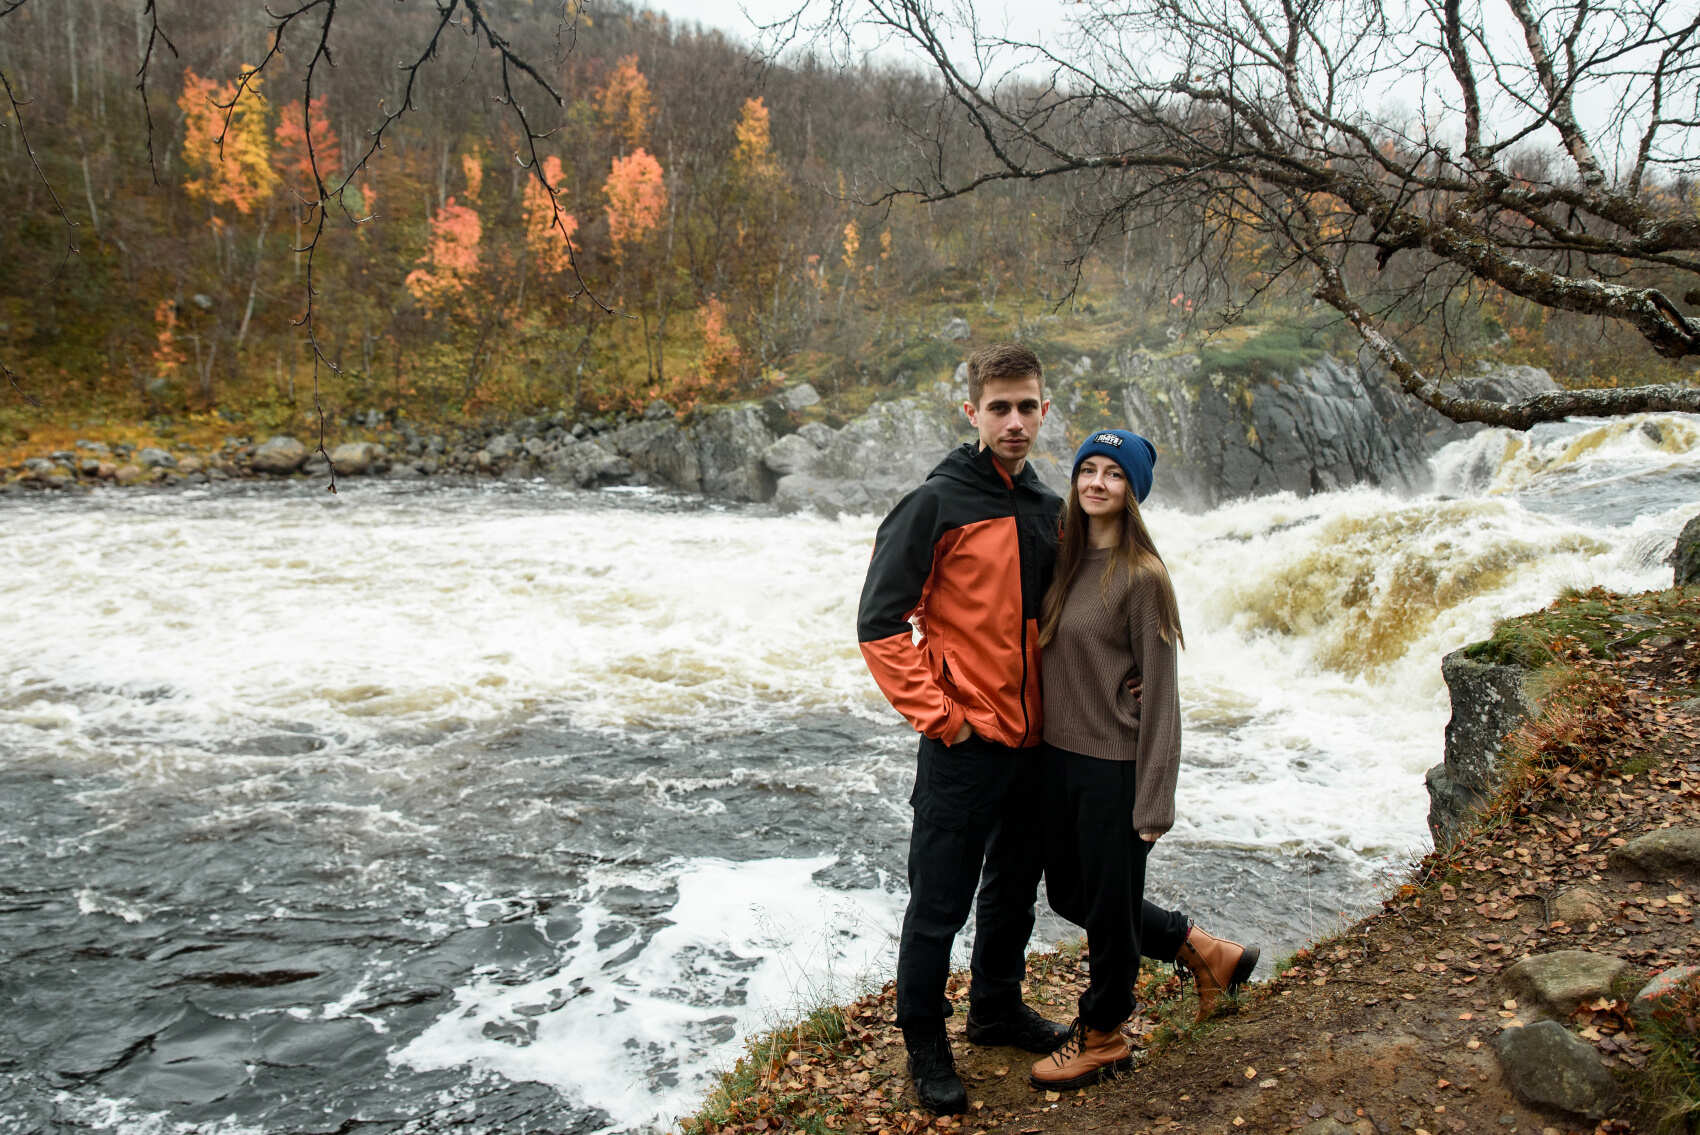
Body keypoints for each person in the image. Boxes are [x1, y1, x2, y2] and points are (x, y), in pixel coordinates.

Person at [857, 346, 1256, 1114]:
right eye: (999, 406)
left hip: (1040, 745)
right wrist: (944, 718)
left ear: (1044, 412)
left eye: (1027, 406)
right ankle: (925, 1040)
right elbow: (879, 625)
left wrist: (1125, 672)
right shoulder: (933, 505)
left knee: (1014, 888)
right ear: (971, 411)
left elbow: (1085, 608)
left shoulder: (1049, 507)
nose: (1014, 420)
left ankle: (996, 1007)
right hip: (963, 745)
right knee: (938, 899)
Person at [1027, 429, 1260, 1091]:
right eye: (1088, 470)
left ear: (1133, 491)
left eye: (1113, 474)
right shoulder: (1067, 559)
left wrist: (1155, 797)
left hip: (1113, 766)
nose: (1096, 482)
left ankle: (1104, 1033)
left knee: (1107, 909)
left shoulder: (1144, 578)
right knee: (1075, 893)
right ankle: (1206, 952)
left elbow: (1162, 695)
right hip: (1060, 759)